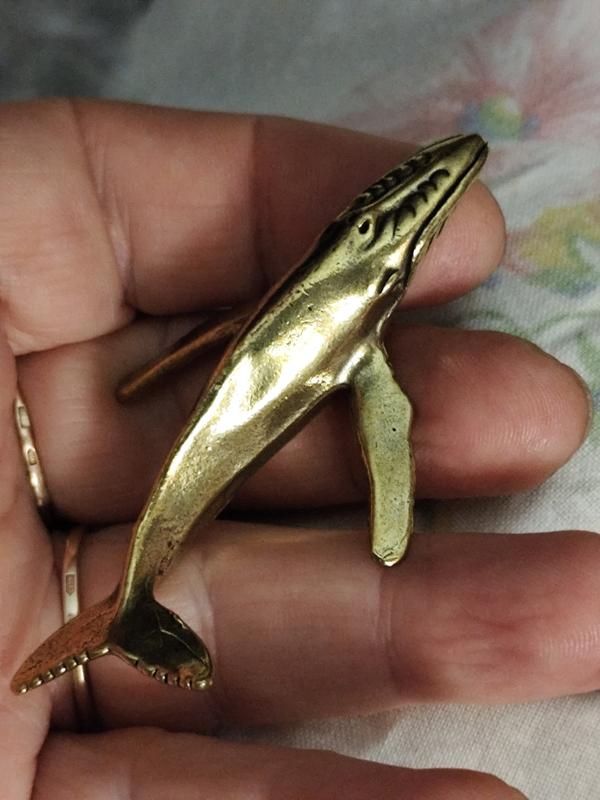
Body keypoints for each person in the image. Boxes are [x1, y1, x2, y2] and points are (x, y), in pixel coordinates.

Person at [1, 99, 593, 799]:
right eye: (366, 229)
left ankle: (129, 606)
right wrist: (144, 379)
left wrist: (143, 381)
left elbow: (376, 410)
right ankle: (129, 609)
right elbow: (242, 339)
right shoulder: (332, 314)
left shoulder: (362, 335)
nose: (383, 235)